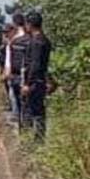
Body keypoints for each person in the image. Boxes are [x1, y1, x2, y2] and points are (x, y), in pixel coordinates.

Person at [20, 11, 52, 139]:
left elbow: (35, 64)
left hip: (34, 82)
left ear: (29, 24)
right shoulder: (45, 40)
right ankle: (35, 139)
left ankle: (31, 141)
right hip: (40, 80)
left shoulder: (36, 42)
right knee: (37, 111)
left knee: (31, 112)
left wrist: (27, 84)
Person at [4, 12, 29, 124]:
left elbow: (9, 61)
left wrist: (7, 74)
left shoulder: (13, 41)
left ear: (14, 24)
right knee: (29, 106)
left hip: (16, 76)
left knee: (18, 103)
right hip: (31, 77)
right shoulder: (31, 38)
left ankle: (22, 127)